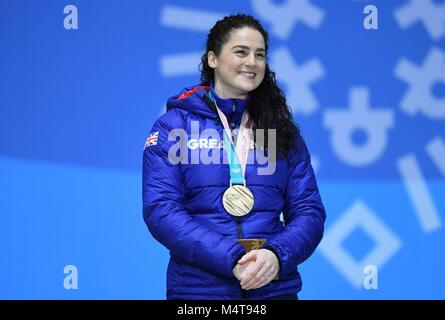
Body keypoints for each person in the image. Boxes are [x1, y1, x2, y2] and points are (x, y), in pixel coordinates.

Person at [142, 14, 326, 300]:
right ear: (213, 59)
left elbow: (309, 212)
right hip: (200, 292)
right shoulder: (174, 126)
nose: (252, 62)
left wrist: (276, 256)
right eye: (241, 52)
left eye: (260, 54)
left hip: (273, 290)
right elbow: (162, 211)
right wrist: (231, 259)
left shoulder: (280, 129)